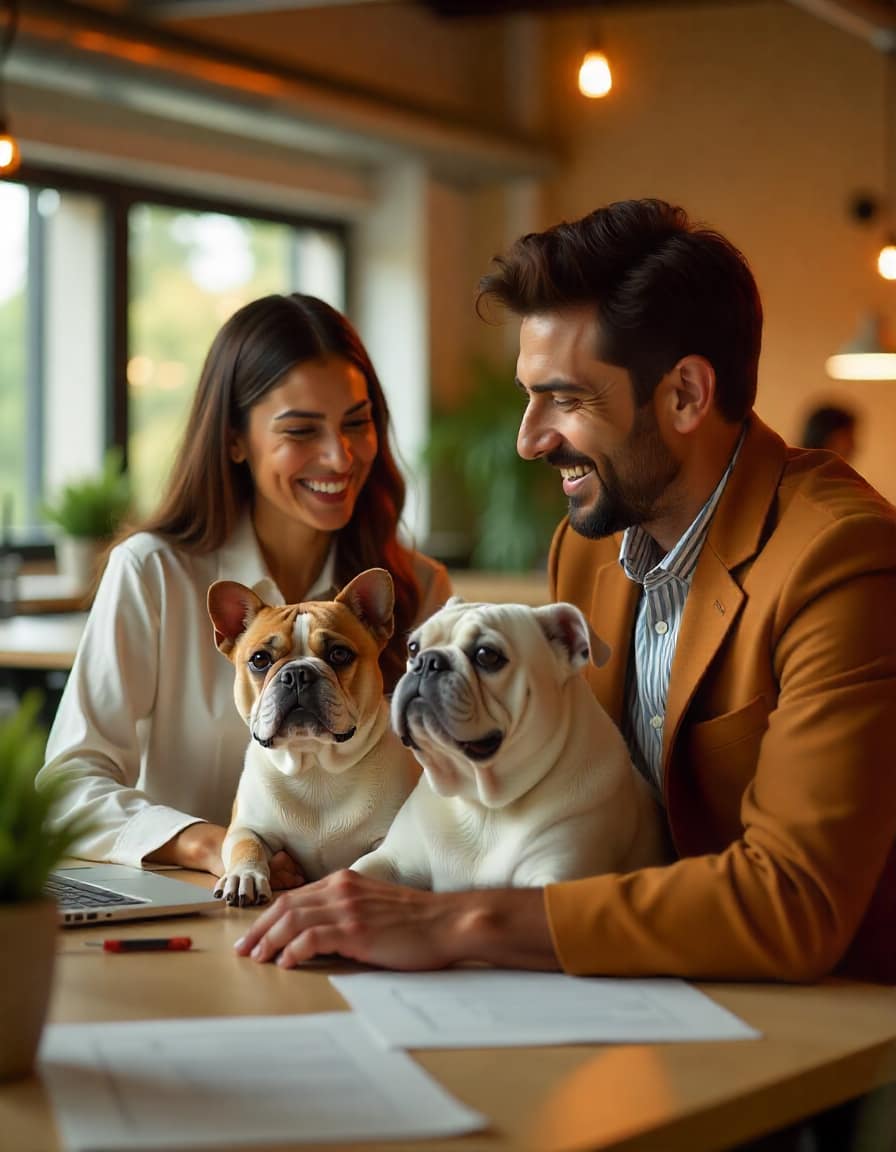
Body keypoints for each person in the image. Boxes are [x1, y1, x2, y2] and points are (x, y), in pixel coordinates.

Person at [234, 200, 896, 986]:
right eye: (528, 395)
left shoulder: (842, 559)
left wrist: (455, 921)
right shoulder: (588, 548)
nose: (528, 438)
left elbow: (795, 902)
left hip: (821, 1020)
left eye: (567, 399)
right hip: (617, 987)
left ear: (685, 395)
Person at [38, 293, 451, 882]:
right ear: (235, 439)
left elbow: (460, 788)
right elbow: (67, 785)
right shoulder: (153, 573)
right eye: (301, 431)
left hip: (374, 914)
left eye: (356, 423)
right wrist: (215, 845)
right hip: (198, 904)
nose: (339, 456)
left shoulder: (417, 586)